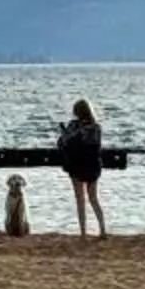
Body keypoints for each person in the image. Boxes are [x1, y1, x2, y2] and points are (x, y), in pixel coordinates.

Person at [57, 97, 108, 239]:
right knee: (93, 198)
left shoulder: (74, 126)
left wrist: (64, 134)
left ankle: (83, 233)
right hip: (93, 165)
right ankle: (102, 229)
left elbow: (64, 142)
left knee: (80, 199)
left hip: (77, 165)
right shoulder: (96, 127)